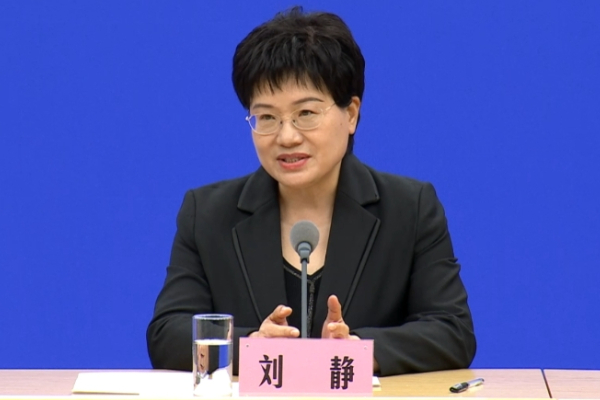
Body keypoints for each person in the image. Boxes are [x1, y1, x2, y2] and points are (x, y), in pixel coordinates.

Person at [147, 6, 476, 377]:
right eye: (267, 117)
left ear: (351, 114)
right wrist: (252, 345)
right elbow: (167, 335)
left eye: (305, 113)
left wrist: (358, 351)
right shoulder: (207, 213)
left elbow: (452, 331)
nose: (287, 136)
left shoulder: (409, 208)